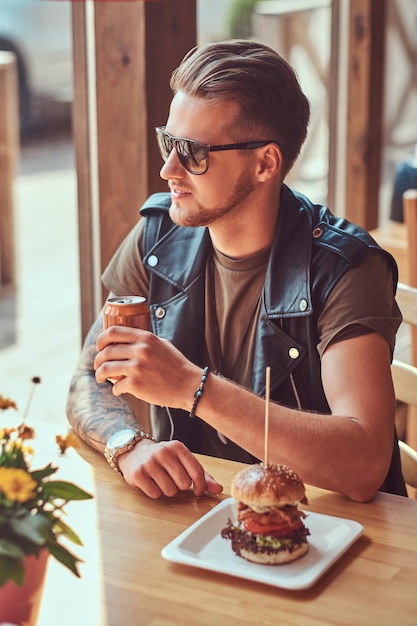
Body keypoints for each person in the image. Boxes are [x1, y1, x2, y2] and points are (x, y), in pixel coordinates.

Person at [66, 39, 406, 502]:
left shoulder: (344, 268)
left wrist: (190, 387)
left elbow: (364, 462)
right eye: (169, 142)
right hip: (203, 516)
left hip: (330, 535)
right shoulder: (157, 238)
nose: (168, 169)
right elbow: (90, 377)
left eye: (193, 153)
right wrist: (128, 445)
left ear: (266, 162)